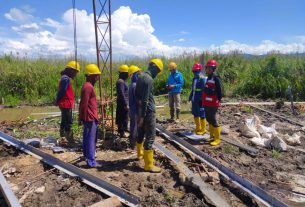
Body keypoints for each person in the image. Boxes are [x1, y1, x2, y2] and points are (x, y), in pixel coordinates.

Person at [135, 58, 163, 173]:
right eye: (158, 71)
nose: (157, 74)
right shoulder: (149, 79)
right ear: (155, 68)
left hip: (141, 110)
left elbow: (136, 95)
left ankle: (139, 154)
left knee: (141, 133)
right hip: (148, 112)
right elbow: (146, 100)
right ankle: (148, 165)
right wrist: (142, 117)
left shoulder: (140, 76)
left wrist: (140, 112)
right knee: (150, 137)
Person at [79, 64, 101, 168]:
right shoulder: (88, 86)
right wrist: (82, 118)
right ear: (91, 75)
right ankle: (91, 161)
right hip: (89, 117)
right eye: (96, 75)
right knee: (90, 139)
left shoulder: (88, 86)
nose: (98, 77)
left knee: (88, 138)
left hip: (91, 116)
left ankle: (88, 157)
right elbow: (83, 104)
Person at [56, 60, 80, 146]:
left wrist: (57, 101)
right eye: (75, 72)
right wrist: (57, 100)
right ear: (71, 70)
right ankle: (69, 140)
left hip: (65, 103)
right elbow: (62, 91)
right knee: (68, 121)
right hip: (66, 103)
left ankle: (63, 137)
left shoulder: (64, 78)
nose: (75, 74)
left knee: (64, 120)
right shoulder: (65, 79)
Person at [202, 59, 222, 146]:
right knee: (209, 119)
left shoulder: (216, 78)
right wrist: (201, 101)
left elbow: (220, 91)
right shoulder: (208, 78)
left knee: (213, 119)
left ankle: (217, 139)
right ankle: (212, 136)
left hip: (213, 103)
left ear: (213, 69)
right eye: (207, 68)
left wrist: (218, 100)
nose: (207, 70)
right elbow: (205, 90)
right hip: (207, 102)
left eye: (209, 68)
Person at [189, 63, 207, 135]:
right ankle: (198, 127)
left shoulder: (202, 79)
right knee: (195, 113)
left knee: (202, 114)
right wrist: (190, 97)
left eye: (196, 71)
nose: (195, 73)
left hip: (200, 99)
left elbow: (204, 90)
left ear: (200, 70)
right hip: (194, 99)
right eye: (194, 71)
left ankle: (203, 129)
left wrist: (202, 99)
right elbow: (193, 89)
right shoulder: (194, 79)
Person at [128, 65, 141, 150]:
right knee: (135, 127)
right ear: (134, 75)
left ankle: (132, 143)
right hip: (135, 110)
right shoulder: (135, 86)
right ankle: (134, 144)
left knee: (133, 126)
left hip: (132, 110)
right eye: (138, 74)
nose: (139, 75)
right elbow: (138, 100)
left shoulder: (131, 85)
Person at [116, 64, 129, 138]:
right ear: (124, 74)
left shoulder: (122, 81)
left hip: (122, 103)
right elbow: (121, 93)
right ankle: (122, 132)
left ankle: (122, 131)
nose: (128, 75)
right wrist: (125, 104)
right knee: (123, 118)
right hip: (122, 104)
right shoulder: (121, 82)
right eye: (127, 73)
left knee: (123, 117)